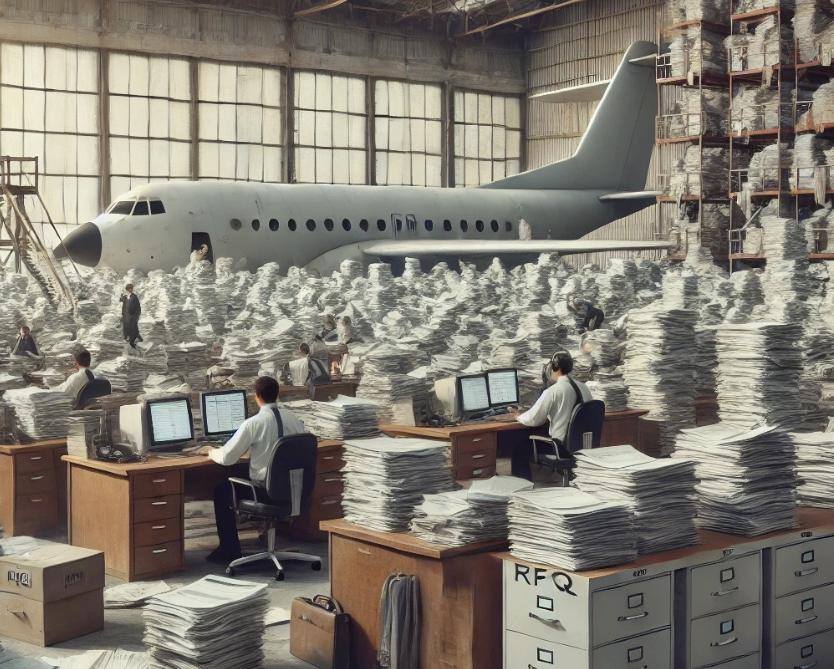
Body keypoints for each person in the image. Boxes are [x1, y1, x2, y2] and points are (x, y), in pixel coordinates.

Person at [206, 376, 306, 562]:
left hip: (265, 492)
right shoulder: (295, 420)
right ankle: (265, 538)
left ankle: (229, 549)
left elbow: (227, 458)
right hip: (294, 490)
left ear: (256, 396)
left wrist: (211, 451)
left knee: (222, 489)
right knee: (245, 475)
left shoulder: (253, 423)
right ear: (278, 394)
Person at [513, 351, 593, 480]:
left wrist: (517, 416)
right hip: (584, 445)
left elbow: (534, 419)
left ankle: (522, 489)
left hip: (561, 448)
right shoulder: (584, 388)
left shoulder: (553, 391)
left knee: (519, 447)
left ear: (555, 368)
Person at [120, 283, 142, 348]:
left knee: (133, 328)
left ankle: (133, 341)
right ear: (127, 289)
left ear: (132, 289)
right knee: (126, 327)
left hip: (132, 315)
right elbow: (121, 300)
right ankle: (128, 339)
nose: (130, 290)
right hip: (126, 314)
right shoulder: (125, 296)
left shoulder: (134, 297)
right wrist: (121, 296)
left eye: (131, 288)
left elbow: (138, 307)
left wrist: (136, 316)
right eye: (129, 289)